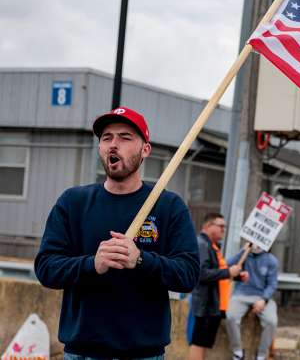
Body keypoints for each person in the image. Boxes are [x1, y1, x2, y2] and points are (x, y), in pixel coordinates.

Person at [34, 106, 200, 360]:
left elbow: (188, 275)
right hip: (82, 352)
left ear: (145, 149)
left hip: (144, 354)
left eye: (125, 137)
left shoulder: (168, 206)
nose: (113, 144)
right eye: (106, 138)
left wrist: (141, 260)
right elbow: (46, 268)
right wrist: (92, 264)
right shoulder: (73, 202)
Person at [187, 213, 244, 360]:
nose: (223, 230)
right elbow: (202, 273)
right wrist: (228, 272)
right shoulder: (202, 244)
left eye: (224, 227)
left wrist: (237, 276)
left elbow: (217, 271)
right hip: (205, 304)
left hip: (213, 304)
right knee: (198, 343)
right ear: (207, 226)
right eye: (220, 226)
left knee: (203, 343)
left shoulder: (212, 246)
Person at [225, 244, 278, 360]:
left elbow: (272, 284)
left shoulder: (271, 260)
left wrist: (264, 299)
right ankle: (238, 352)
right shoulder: (244, 256)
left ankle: (261, 355)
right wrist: (243, 251)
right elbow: (226, 265)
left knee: (271, 321)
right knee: (230, 316)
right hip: (241, 294)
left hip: (261, 296)